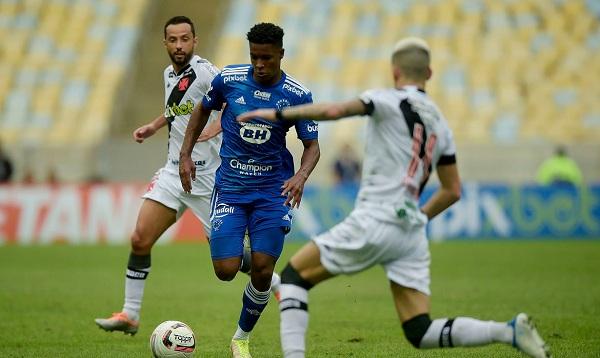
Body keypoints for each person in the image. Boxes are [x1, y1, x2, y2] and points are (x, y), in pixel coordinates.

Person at [237, 37, 551, 358]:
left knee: (291, 280)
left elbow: (334, 110)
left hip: (376, 217)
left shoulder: (385, 99)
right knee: (420, 329)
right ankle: (507, 330)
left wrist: (277, 114)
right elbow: (452, 190)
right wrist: (417, 219)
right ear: (429, 73)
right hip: (410, 230)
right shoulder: (441, 124)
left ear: (395, 71)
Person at [94, 15, 255, 336]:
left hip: (208, 179)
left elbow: (236, 102)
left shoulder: (206, 72)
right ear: (165, 43)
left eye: (185, 39)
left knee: (231, 260)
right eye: (173, 40)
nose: (179, 45)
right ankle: (131, 314)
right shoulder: (169, 73)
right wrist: (154, 126)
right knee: (140, 239)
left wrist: (214, 128)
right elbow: (178, 108)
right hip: (172, 172)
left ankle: (274, 280)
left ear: (195, 41)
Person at [179, 22, 320, 358]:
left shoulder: (297, 95)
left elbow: (312, 146)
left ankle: (240, 338)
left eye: (267, 58)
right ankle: (241, 250)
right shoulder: (229, 79)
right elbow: (202, 109)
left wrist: (300, 176)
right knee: (225, 270)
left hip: (273, 191)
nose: (259, 63)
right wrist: (185, 154)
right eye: (255, 56)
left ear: (281, 55)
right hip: (230, 187)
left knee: (262, 268)